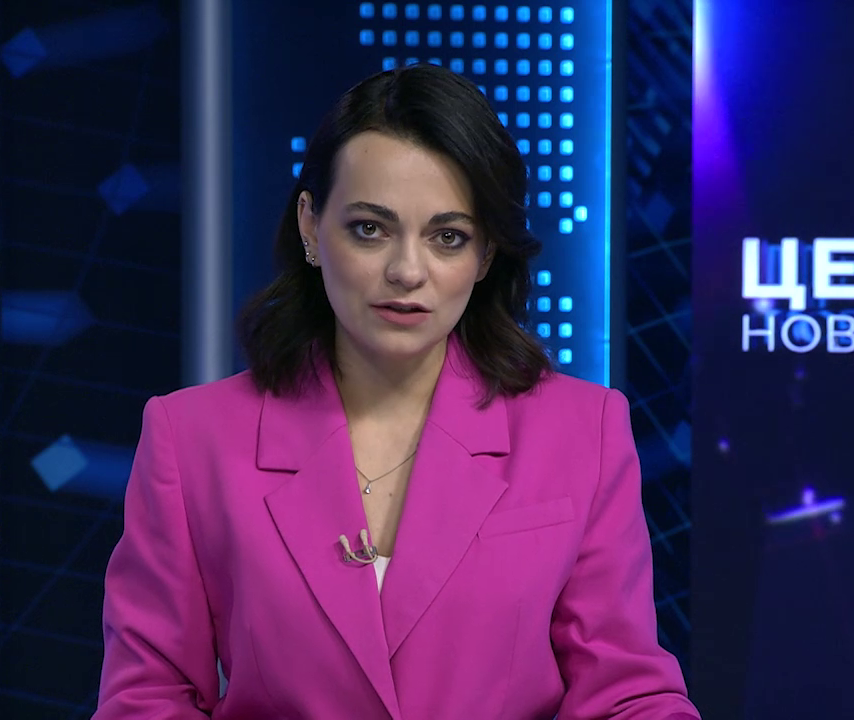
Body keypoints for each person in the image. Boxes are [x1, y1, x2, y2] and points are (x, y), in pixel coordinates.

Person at [94, 64, 700, 720]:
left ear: (485, 254)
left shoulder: (583, 430)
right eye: (370, 229)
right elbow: (146, 698)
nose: (407, 271)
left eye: (448, 237)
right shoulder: (192, 438)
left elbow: (627, 694)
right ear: (310, 226)